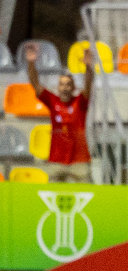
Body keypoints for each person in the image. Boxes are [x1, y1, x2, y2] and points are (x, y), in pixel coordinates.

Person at [25, 42, 92, 183]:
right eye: (61, 84)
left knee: (87, 195)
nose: (64, 88)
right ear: (58, 87)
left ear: (73, 88)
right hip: (56, 160)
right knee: (51, 197)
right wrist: (31, 63)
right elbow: (35, 84)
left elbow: (88, 83)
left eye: (68, 84)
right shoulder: (53, 101)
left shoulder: (80, 102)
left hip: (79, 160)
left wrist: (88, 67)